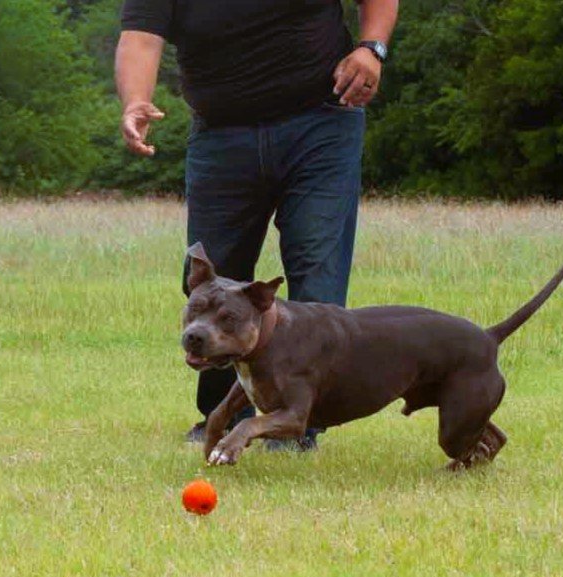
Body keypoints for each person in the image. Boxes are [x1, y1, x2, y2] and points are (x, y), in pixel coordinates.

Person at [116, 0, 398, 450]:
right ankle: (223, 415)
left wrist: (372, 48)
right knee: (210, 274)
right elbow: (140, 37)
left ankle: (297, 423)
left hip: (322, 120)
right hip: (221, 133)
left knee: (317, 269)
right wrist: (135, 100)